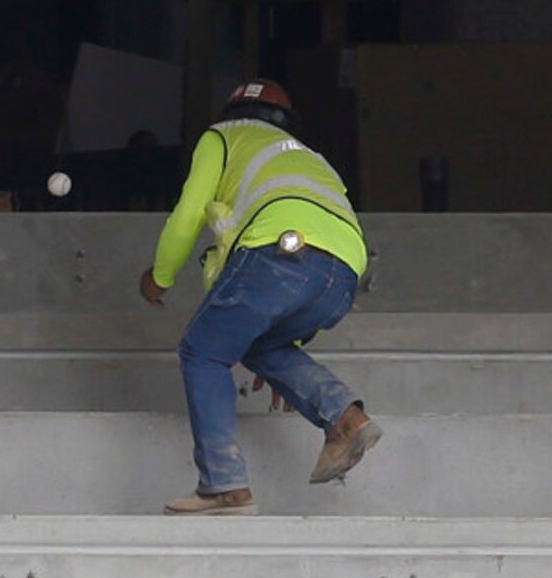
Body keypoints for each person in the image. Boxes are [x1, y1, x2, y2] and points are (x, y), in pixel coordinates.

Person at [139, 79, 377, 515]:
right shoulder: (311, 158)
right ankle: (345, 418)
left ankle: (223, 482)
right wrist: (287, 357)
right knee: (261, 345)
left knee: (202, 352)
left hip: (278, 253)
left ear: (230, 114)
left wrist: (161, 276)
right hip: (345, 272)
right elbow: (320, 257)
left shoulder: (223, 137)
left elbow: (188, 215)